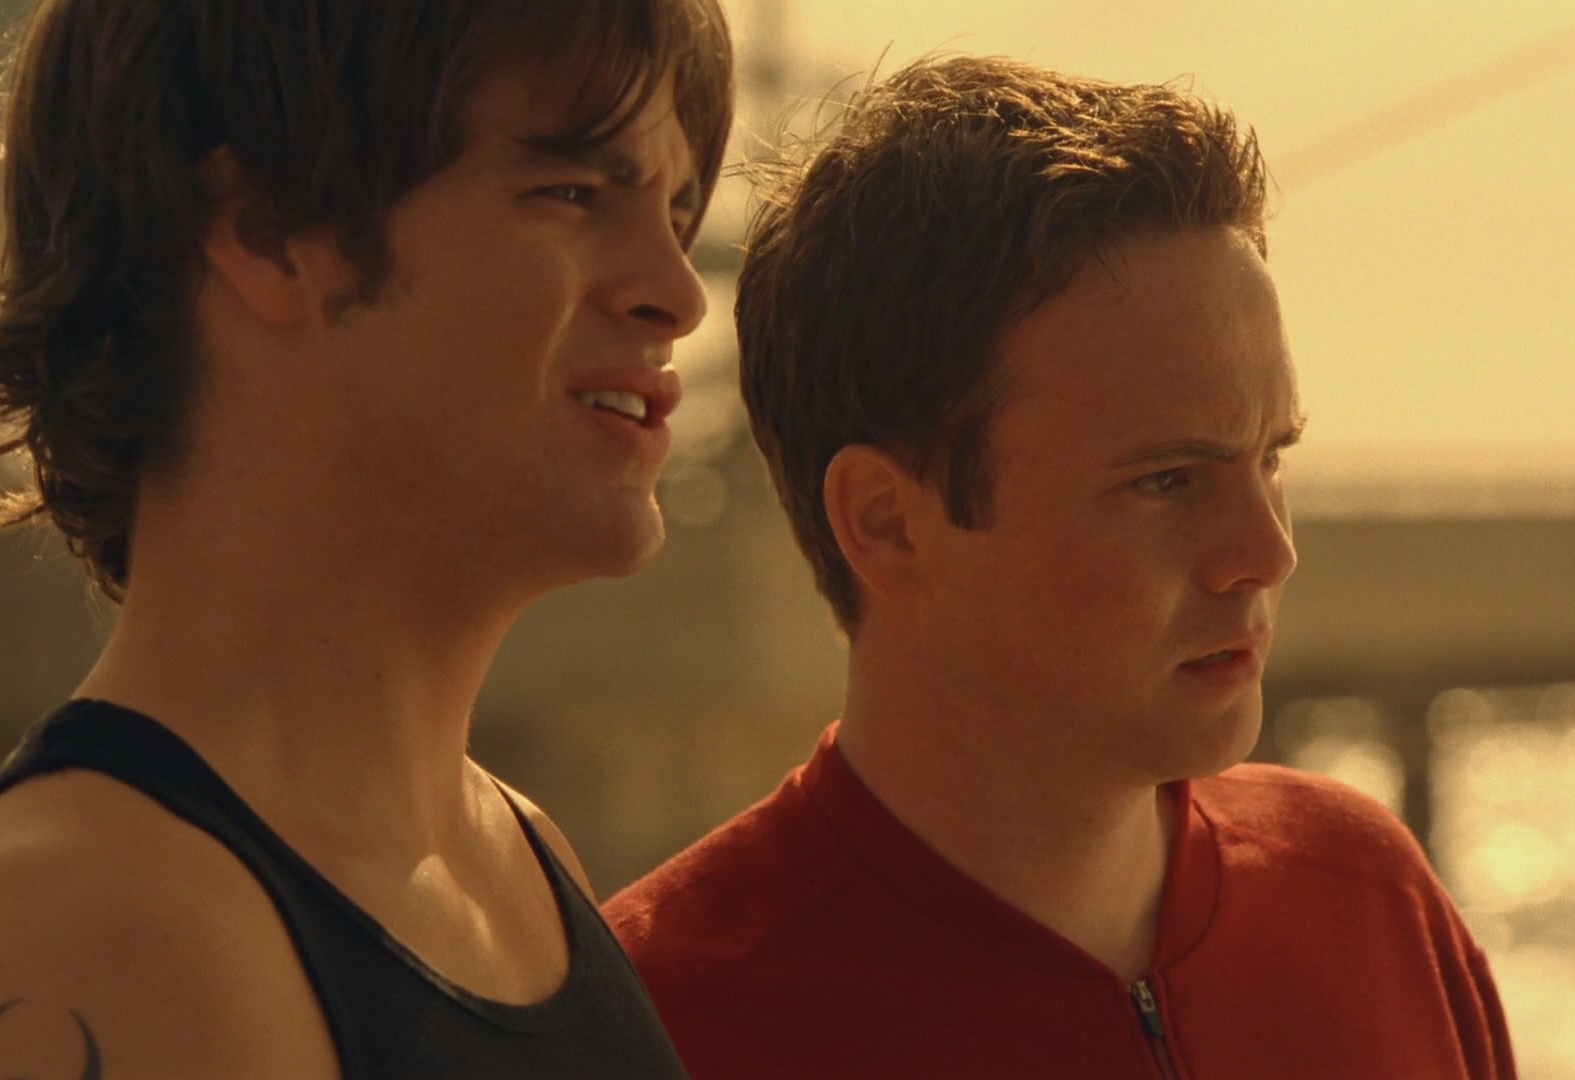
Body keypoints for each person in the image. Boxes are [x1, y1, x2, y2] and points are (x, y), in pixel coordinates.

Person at [604, 55, 1517, 1080]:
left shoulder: (1367, 902)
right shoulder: (658, 1029)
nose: (1267, 553)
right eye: (1167, 481)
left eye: (1271, 460)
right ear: (888, 524)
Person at [0, 1, 731, 1077]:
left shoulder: (521, 864)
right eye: (571, 193)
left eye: (678, 211)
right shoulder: (99, 933)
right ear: (266, 232)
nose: (679, 294)